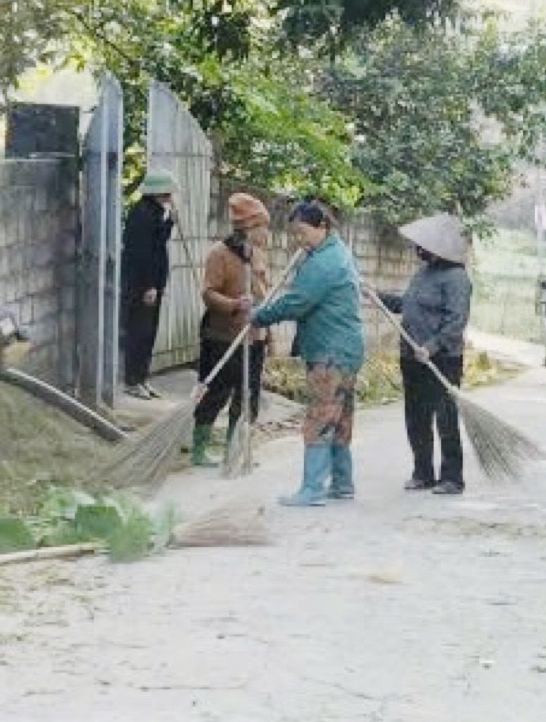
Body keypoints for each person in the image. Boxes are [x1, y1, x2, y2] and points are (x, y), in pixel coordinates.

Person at [250, 201, 365, 507]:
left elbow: (297, 302)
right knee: (340, 419)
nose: (299, 240)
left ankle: (312, 489)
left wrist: (259, 315)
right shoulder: (338, 254)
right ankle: (342, 484)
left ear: (322, 227)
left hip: (330, 352)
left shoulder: (325, 263)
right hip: (347, 349)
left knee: (320, 417)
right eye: (295, 234)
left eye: (302, 233)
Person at [380, 214, 473, 495]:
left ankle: (452, 478)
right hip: (411, 357)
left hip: (442, 359)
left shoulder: (457, 279)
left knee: (445, 417)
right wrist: (376, 294)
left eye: (422, 245)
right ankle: (422, 473)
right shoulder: (422, 274)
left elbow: (456, 322)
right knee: (416, 417)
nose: (417, 248)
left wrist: (431, 347)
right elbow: (405, 305)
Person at [192, 193, 273, 466]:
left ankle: (235, 451)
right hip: (223, 337)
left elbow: (265, 294)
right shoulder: (220, 254)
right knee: (215, 394)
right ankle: (199, 451)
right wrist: (235, 304)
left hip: (254, 338)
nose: (266, 233)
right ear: (248, 228)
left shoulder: (259, 255)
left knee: (248, 397)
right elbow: (208, 293)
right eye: (262, 226)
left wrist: (268, 333)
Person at [119, 170, 178, 399]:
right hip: (143, 285)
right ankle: (132, 380)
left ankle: (142, 378)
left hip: (152, 284)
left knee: (149, 333)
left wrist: (170, 222)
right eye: (167, 193)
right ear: (158, 192)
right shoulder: (141, 214)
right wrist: (149, 285)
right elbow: (142, 254)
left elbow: (158, 242)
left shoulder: (154, 213)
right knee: (139, 332)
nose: (170, 196)